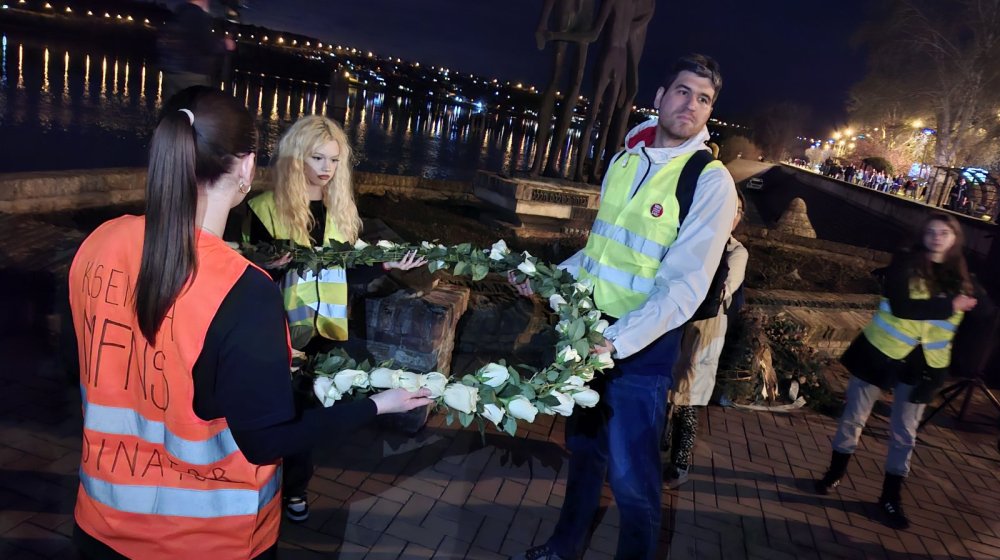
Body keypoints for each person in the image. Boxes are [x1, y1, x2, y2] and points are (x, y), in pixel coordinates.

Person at [67, 87, 432, 560]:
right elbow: (267, 441)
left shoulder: (100, 241)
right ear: (246, 167)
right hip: (205, 540)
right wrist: (379, 405)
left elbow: (91, 366)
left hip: (99, 521)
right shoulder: (244, 290)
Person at [514, 53, 737, 560]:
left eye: (704, 99)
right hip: (586, 333)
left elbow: (686, 287)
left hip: (640, 348)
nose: (692, 105)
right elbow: (599, 254)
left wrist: (616, 342)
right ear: (660, 97)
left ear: (709, 112)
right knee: (583, 454)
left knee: (634, 481)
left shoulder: (709, 180)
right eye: (683, 91)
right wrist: (545, 280)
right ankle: (563, 549)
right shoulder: (625, 160)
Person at [244, 114, 425, 523]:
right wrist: (270, 267)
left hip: (325, 335)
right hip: (277, 334)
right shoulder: (262, 209)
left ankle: (295, 488)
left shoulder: (340, 211)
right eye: (317, 157)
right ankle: (260, 486)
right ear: (296, 158)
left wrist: (386, 264)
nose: (326, 168)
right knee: (272, 414)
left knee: (308, 415)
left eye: (334, 160)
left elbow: (347, 274)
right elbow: (247, 276)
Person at [814, 212, 978, 530]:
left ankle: (890, 497)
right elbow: (903, 307)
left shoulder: (962, 278)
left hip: (925, 365)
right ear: (922, 235)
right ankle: (834, 473)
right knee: (854, 418)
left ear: (955, 239)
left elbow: (974, 319)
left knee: (905, 434)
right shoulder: (904, 263)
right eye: (932, 231)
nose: (937, 237)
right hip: (881, 353)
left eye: (945, 233)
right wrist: (951, 305)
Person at [662, 190, 748, 489]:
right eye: (728, 207)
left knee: (689, 395)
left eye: (737, 210)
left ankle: (680, 464)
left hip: (705, 328)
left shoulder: (736, 252)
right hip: (678, 320)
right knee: (666, 387)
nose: (732, 214)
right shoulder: (694, 236)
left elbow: (725, 289)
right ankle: (658, 445)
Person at [158, 0, 236, 103]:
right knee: (195, 108)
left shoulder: (180, 12)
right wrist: (225, 44)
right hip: (191, 76)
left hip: (173, 74)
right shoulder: (196, 15)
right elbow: (205, 44)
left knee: (173, 108)